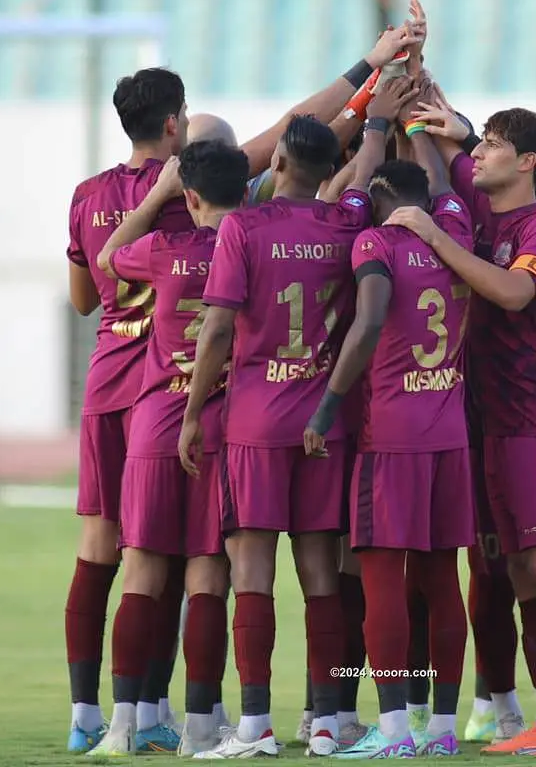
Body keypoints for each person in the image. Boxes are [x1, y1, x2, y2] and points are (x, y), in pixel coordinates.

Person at [178, 61, 420, 758]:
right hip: (325, 423)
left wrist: (195, 414)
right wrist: (377, 119)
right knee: (321, 575)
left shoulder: (243, 229)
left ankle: (253, 725)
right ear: (326, 168)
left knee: (251, 574)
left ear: (278, 159)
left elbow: (218, 330)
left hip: (254, 421)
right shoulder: (348, 223)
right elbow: (366, 164)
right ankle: (324, 722)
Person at [385, 103, 536, 756]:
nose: (479, 155)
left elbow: (511, 293)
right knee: (520, 574)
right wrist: (416, 87)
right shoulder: (482, 208)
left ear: (526, 161)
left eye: (494, 146)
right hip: (491, 419)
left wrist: (435, 238)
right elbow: (434, 141)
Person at [303, 132, 473, 759]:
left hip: (391, 437)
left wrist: (326, 407)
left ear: (379, 201)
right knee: (442, 584)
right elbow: (448, 190)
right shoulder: (454, 231)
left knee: (382, 585)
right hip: (450, 434)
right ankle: (444, 730)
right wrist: (423, 128)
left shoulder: (377, 240)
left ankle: (396, 729)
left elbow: (371, 319)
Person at [86, 141, 250, 757]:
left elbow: (106, 258)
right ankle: (202, 726)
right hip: (227, 427)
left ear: (190, 196)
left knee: (143, 577)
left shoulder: (163, 249)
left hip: (157, 422)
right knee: (211, 577)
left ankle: (123, 725)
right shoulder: (253, 247)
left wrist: (155, 197)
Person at [64, 67, 193, 753]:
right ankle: (148, 709)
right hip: (160, 390)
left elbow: (84, 299)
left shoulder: (88, 194)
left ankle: (83, 715)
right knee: (159, 554)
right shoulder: (188, 189)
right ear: (174, 122)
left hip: (103, 383)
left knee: (96, 550)